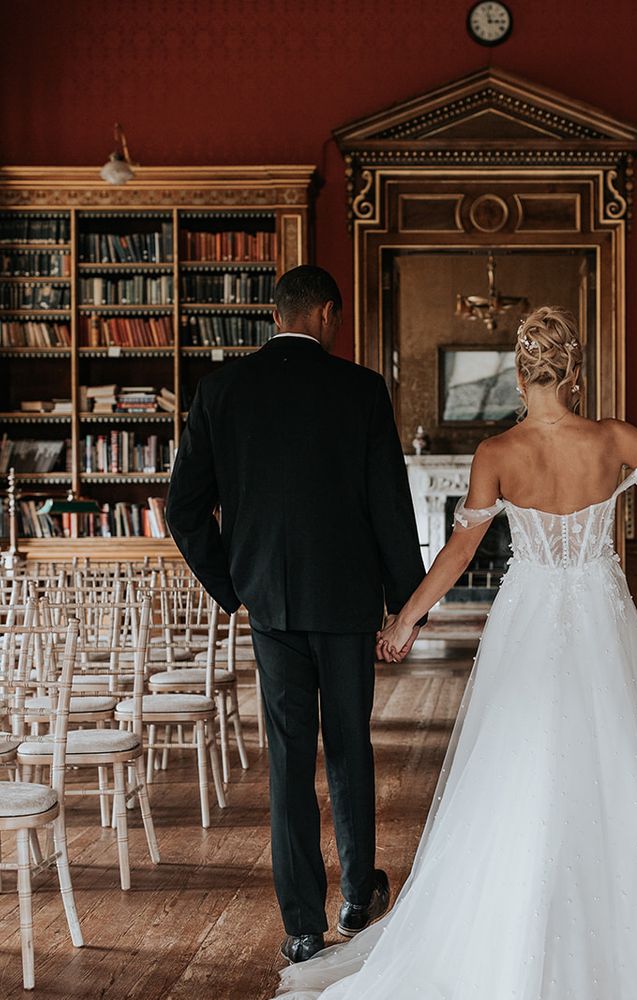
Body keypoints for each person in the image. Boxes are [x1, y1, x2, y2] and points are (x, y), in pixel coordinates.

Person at [277, 305, 637, 1000]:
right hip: (601, 617)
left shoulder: (498, 454)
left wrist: (406, 619)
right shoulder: (613, 438)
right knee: (617, 761)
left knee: (518, 764)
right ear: (575, 372)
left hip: (530, 620)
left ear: (518, 372)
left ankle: (510, 929)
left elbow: (459, 551)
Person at [165, 265, 426, 966]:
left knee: (288, 762)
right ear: (329, 316)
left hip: (270, 606)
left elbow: (181, 509)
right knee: (348, 749)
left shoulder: (221, 391)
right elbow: (390, 507)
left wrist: (234, 586)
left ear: (276, 316)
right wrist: (408, 603)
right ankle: (356, 898)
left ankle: (303, 924)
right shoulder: (361, 390)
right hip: (345, 603)